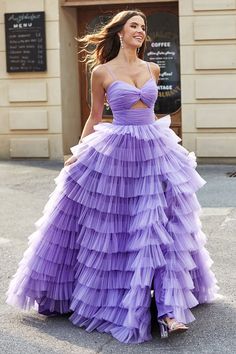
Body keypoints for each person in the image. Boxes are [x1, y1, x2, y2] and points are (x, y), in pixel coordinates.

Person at [5, 9, 219, 344]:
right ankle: (122, 298)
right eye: (134, 25)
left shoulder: (152, 68)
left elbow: (152, 112)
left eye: (143, 27)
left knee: (162, 227)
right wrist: (78, 152)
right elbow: (94, 116)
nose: (140, 30)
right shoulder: (101, 72)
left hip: (154, 150)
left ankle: (167, 311)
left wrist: (163, 148)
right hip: (117, 152)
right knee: (117, 229)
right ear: (119, 32)